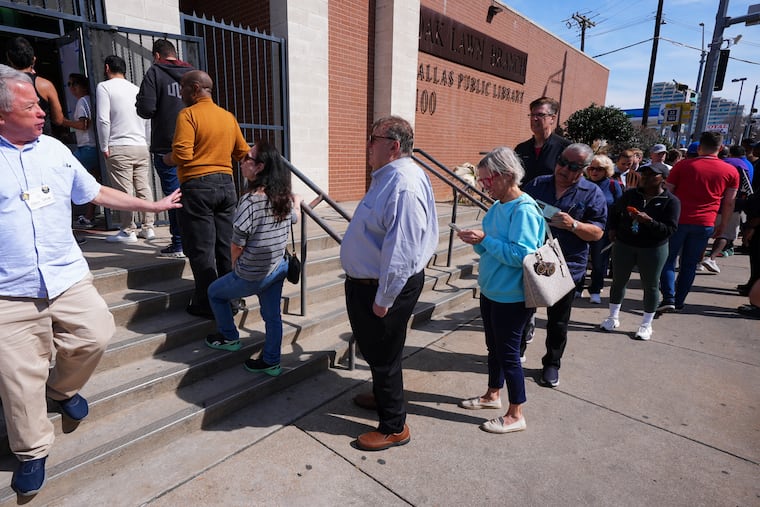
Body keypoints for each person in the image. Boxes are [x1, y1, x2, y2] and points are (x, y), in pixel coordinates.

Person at [0, 65, 182, 496]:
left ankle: (61, 388)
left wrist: (150, 207)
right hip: (10, 290)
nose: (44, 112)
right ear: (3, 114)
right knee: (17, 376)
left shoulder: (56, 152)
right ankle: (31, 450)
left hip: (68, 277)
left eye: (41, 105)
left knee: (96, 333)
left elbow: (97, 192)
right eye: (32, 107)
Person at [340, 116, 438, 451]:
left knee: (383, 354)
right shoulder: (389, 177)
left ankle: (394, 426)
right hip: (369, 283)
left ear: (393, 146)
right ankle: (384, 399)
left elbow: (403, 249)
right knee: (377, 351)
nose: (367, 146)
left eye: (373, 139)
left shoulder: (404, 184)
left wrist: (384, 298)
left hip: (383, 286)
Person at [455, 147, 545, 434]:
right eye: (481, 180)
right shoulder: (498, 205)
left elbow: (522, 256)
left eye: (488, 180)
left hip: (513, 296)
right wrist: (478, 241)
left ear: (507, 176)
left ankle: (516, 413)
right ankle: (492, 395)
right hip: (493, 290)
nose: (484, 185)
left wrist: (485, 240)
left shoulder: (524, 209)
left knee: (509, 355)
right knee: (493, 349)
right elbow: (493, 245)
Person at [205, 141, 301, 376]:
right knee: (272, 317)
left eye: (247, 158)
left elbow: (237, 243)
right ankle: (271, 362)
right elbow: (294, 219)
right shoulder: (282, 198)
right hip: (277, 268)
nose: (241, 162)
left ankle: (229, 337)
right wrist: (297, 202)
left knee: (214, 293)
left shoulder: (250, 201)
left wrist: (235, 264)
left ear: (260, 167)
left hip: (252, 273)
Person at [164, 70, 250, 319]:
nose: (180, 93)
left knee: (201, 248)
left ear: (194, 89)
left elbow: (182, 154)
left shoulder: (188, 115)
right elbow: (242, 152)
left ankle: (206, 303)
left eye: (182, 88)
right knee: (225, 246)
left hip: (197, 186)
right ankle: (232, 298)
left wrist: (166, 158)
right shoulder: (227, 116)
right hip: (226, 186)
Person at [522, 143, 607, 387]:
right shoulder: (538, 184)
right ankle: (516, 353)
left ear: (584, 169)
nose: (564, 169)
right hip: (534, 260)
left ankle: (551, 364)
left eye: (573, 166)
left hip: (566, 265)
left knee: (558, 321)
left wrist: (575, 225)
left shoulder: (591, 193)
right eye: (562, 161)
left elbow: (598, 233)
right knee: (523, 312)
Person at [658, 131, 739, 313]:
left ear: (700, 146)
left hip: (677, 220)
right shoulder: (730, 171)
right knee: (689, 264)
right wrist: (723, 224)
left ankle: (669, 297)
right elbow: (729, 202)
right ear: (720, 148)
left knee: (668, 260)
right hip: (705, 223)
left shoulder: (682, 166)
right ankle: (678, 301)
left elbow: (667, 193)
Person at [600, 165, 680, 340]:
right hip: (624, 244)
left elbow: (669, 230)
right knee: (618, 281)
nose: (645, 177)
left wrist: (649, 221)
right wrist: (613, 229)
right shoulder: (631, 195)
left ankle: (646, 324)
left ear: (663, 178)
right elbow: (615, 211)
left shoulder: (670, 200)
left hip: (653, 248)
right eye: (644, 173)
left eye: (652, 174)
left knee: (650, 285)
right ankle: (613, 317)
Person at [136, 39, 195, 258]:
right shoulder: (193, 74)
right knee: (193, 194)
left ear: (157, 55)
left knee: (174, 197)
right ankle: (194, 241)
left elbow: (146, 108)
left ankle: (179, 243)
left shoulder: (155, 72)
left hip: (166, 146)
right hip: (193, 145)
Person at [96, 55, 155, 243]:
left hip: (119, 145)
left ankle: (128, 230)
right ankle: (149, 227)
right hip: (140, 145)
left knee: (124, 190)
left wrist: (104, 145)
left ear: (107, 68)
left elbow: (103, 119)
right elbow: (147, 120)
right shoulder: (136, 89)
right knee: (143, 186)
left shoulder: (104, 87)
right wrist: (146, 142)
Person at [5, 36, 64, 135]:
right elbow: (58, 120)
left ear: (9, 60)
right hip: (42, 141)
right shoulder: (45, 85)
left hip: (14, 140)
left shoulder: (4, 86)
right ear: (34, 60)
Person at [583, 154, 622, 303]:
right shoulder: (584, 183)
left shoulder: (613, 185)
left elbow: (619, 209)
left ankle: (595, 290)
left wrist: (615, 229)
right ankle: (578, 288)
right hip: (583, 227)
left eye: (599, 169)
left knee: (599, 262)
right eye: (591, 168)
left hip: (604, 230)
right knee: (581, 258)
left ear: (606, 170)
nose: (594, 172)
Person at [62, 73, 98, 227]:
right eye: (69, 84)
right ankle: (89, 216)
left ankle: (63, 218)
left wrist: (64, 122)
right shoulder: (92, 100)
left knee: (63, 176)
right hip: (95, 148)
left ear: (82, 85)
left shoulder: (82, 101)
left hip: (87, 147)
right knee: (93, 183)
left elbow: (84, 125)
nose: (71, 87)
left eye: (73, 83)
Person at [515, 97, 571, 185]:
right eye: (532, 115)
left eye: (540, 115)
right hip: (525, 197)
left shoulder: (566, 149)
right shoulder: (521, 149)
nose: (534, 119)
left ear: (552, 118)